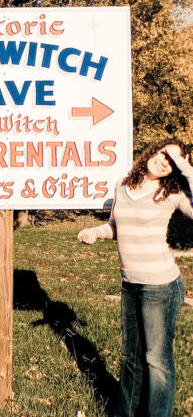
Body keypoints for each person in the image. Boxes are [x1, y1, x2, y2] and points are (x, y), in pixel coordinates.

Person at [78, 139, 191, 417]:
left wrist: (186, 169)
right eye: (165, 154)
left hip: (161, 286)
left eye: (173, 162)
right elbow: (116, 226)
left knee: (157, 361)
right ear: (153, 151)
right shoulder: (123, 185)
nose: (165, 161)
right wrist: (95, 231)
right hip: (130, 283)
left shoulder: (173, 193)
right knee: (131, 357)